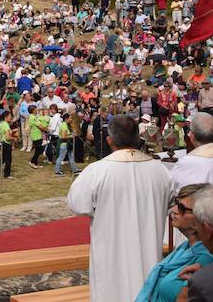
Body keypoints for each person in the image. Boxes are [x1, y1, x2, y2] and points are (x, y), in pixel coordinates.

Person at [67, 115, 173, 302]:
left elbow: (78, 203)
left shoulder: (96, 171)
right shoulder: (160, 170)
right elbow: (170, 202)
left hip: (111, 253)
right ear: (138, 139)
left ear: (109, 141)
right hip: (148, 252)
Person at [135, 183, 213, 302]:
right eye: (176, 204)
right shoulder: (185, 248)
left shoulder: (205, 259)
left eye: (182, 208)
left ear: (201, 217)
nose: (173, 210)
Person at [0, 108, 15, 179]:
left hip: (1, 143)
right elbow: (8, 137)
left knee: (4, 158)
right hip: (6, 144)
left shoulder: (1, 124)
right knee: (8, 159)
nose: (11, 117)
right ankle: (7, 174)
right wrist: (14, 138)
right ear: (6, 117)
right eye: (10, 116)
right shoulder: (6, 125)